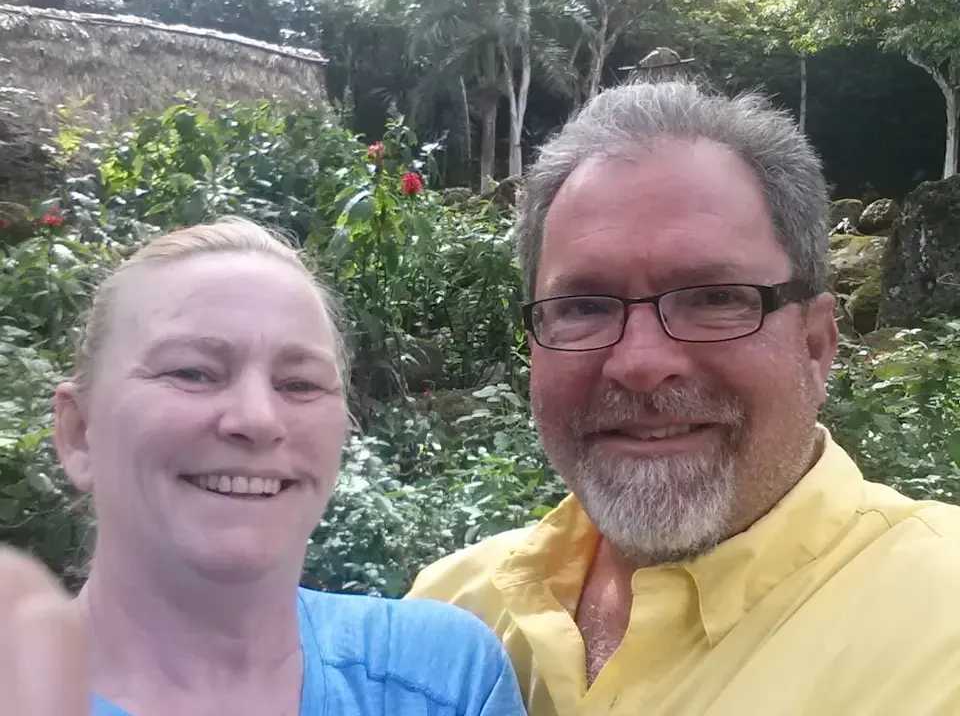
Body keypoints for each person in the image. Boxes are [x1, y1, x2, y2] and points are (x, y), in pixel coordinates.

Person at [407, 79, 960, 714]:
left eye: (715, 299)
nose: (640, 364)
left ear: (814, 342)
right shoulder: (451, 615)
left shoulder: (941, 627)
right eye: (583, 306)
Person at [0, 218, 527, 716]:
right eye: (192, 372)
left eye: (299, 384)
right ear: (78, 433)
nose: (257, 418)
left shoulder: (439, 681)